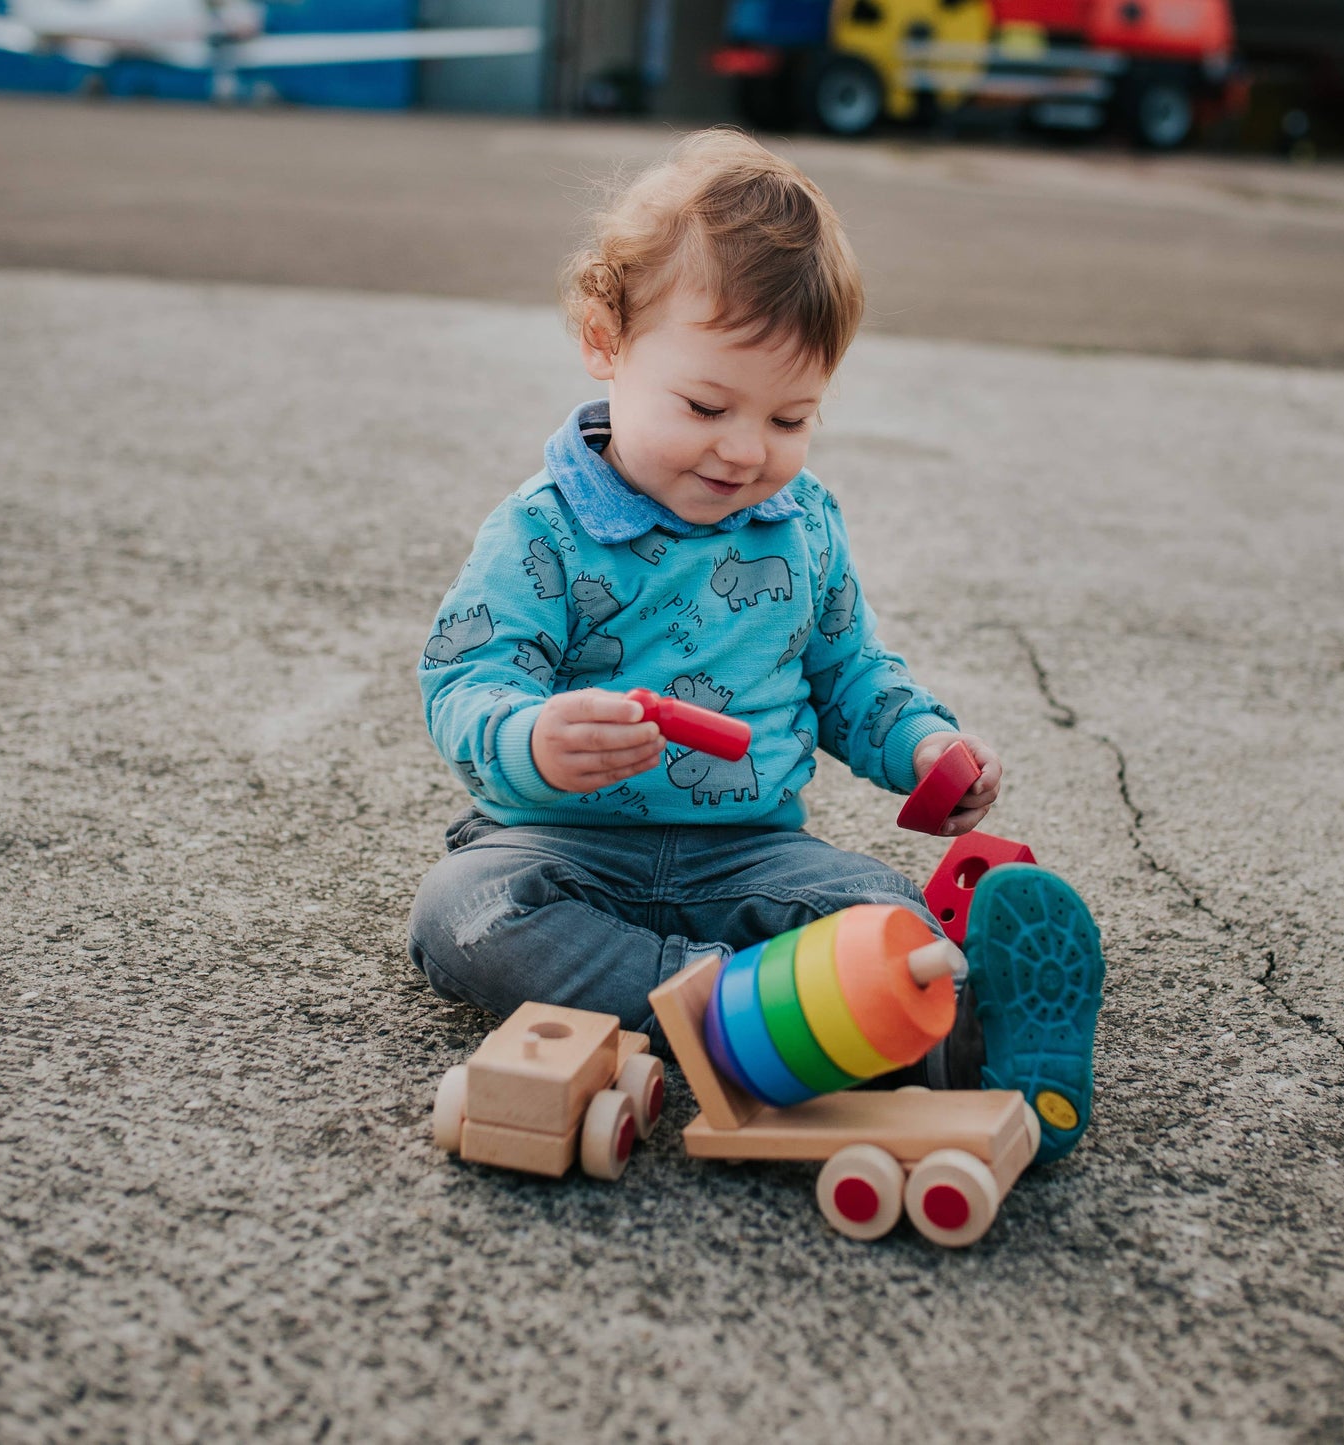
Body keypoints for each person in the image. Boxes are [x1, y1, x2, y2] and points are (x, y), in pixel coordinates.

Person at [408, 129, 1103, 1162]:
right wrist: (533, 736)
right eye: (705, 406)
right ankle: (754, 1014)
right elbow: (464, 681)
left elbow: (847, 671)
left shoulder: (802, 524)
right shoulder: (540, 529)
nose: (744, 450)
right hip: (565, 847)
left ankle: (968, 1027)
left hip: (750, 853)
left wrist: (920, 744)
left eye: (791, 417)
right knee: (461, 912)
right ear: (607, 342)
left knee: (883, 910)